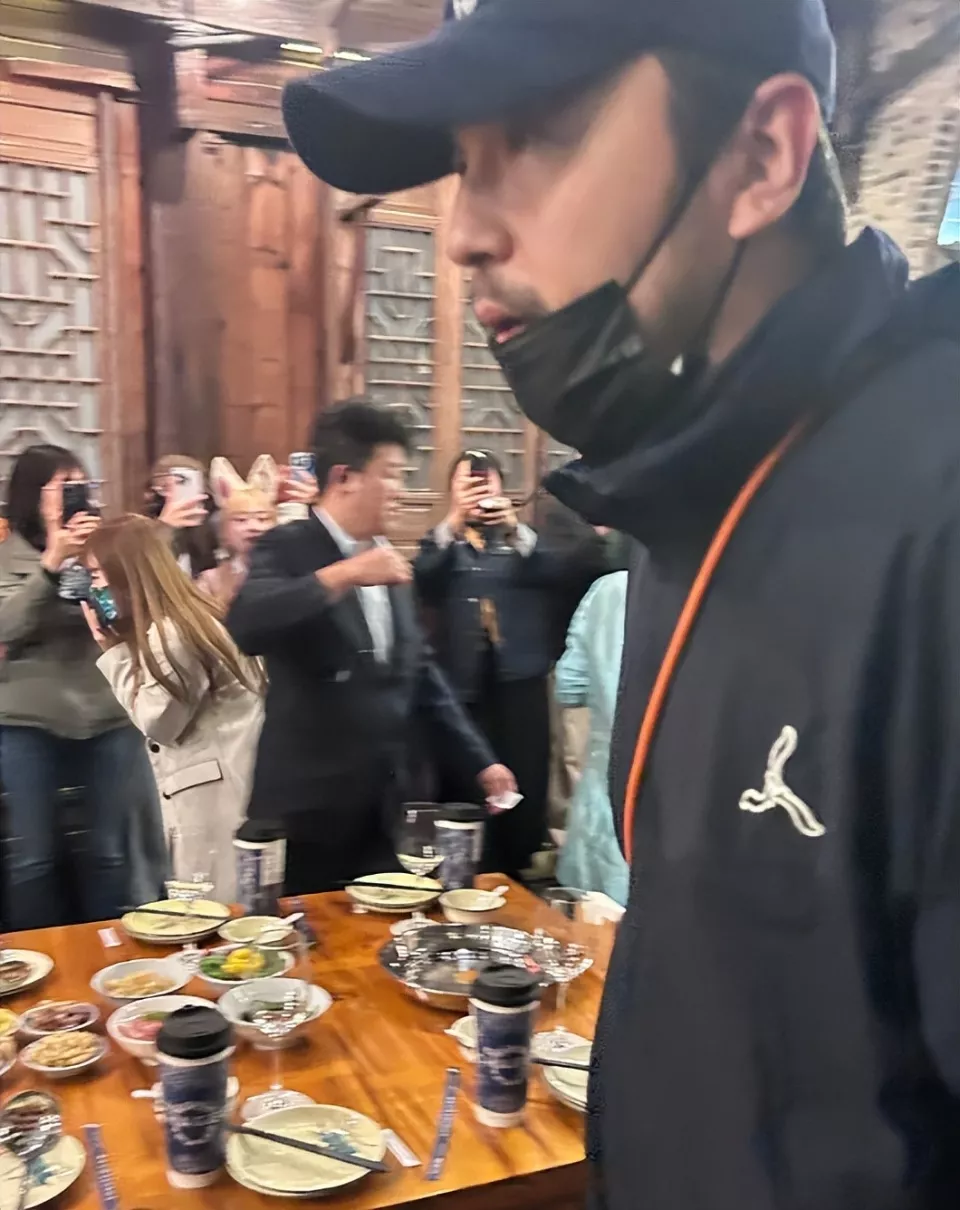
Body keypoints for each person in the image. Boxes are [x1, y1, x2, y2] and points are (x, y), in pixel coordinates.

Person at [283, 4, 960, 1209]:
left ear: (763, 154)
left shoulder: (931, 507)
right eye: (462, 162)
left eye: (539, 135)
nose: (464, 231)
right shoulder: (686, 489)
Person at [227, 400, 516, 895]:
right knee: (306, 936)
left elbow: (421, 673)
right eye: (392, 474)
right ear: (345, 477)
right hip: (308, 808)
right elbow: (247, 624)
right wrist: (344, 574)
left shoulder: (386, 557)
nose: (400, 490)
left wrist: (480, 760)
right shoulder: (288, 545)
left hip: (389, 806)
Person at [0, 445, 164, 928]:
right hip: (28, 717)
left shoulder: (103, 550)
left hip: (106, 711)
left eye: (80, 485)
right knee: (34, 855)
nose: (75, 495)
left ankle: (107, 948)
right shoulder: (8, 556)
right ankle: (36, 955)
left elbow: (130, 619)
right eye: (63, 487)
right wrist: (51, 563)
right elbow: (6, 627)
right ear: (32, 495)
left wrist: (100, 568)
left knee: (109, 851)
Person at [414, 451, 570, 879]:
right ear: (453, 491)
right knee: (466, 772)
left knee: (523, 771)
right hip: (461, 680)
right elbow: (422, 577)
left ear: (503, 489)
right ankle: (464, 865)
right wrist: (453, 519)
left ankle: (516, 867)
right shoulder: (444, 542)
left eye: (487, 482)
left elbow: (558, 574)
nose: (479, 490)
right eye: (468, 483)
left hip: (519, 678)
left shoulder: (523, 541)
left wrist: (515, 528)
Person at [554, 570, 630, 906]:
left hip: (602, 800)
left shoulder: (608, 589)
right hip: (678, 812)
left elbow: (570, 686)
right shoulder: (723, 596)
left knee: (590, 920)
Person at [199, 456, 279, 606]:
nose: (253, 527)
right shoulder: (211, 580)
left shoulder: (294, 574)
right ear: (223, 528)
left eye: (262, 519)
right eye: (241, 520)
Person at [144, 454, 218, 580]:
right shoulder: (143, 525)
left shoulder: (216, 520)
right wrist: (163, 527)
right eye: (163, 485)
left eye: (183, 482)